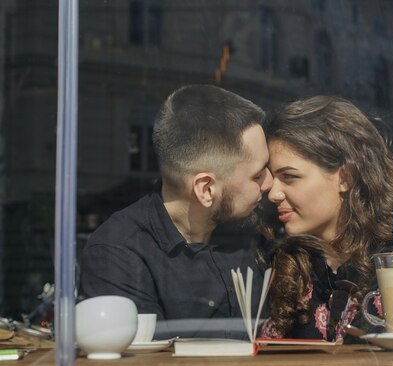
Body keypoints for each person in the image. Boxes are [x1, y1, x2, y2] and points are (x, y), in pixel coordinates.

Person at [258, 96, 393, 342]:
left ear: (345, 178)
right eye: (271, 178)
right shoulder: (290, 264)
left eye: (289, 177)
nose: (273, 194)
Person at [78, 84, 273, 337]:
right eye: (257, 175)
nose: (270, 184)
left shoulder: (255, 230)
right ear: (206, 189)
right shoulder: (120, 253)